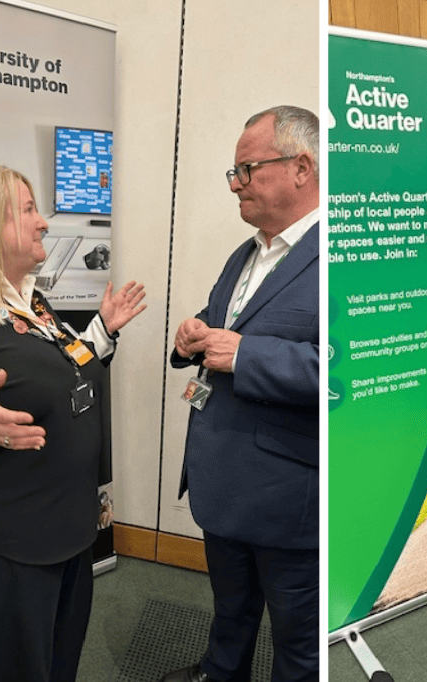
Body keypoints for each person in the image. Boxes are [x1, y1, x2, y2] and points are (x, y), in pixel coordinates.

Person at [0, 163, 146, 681]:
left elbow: (63, 370)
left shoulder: (32, 301)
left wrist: (103, 331)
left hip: (68, 531)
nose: (43, 222)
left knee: (58, 665)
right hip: (10, 549)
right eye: (28, 210)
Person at [162, 106, 320, 682]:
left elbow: (345, 375)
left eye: (247, 169)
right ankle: (221, 672)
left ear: (301, 167)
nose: (236, 184)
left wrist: (246, 355)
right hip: (222, 480)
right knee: (230, 608)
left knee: (298, 641)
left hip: (286, 494)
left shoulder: (340, 257)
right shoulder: (247, 252)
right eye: (233, 173)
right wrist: (193, 335)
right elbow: (225, 323)